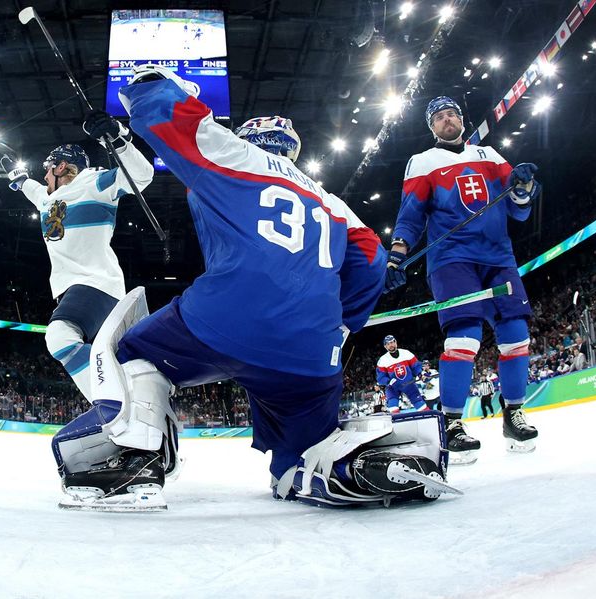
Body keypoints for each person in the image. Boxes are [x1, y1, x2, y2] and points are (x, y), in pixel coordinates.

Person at [49, 64, 457, 511]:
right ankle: (333, 466)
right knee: (296, 456)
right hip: (314, 351)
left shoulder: (234, 155)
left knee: (132, 350)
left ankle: (137, 456)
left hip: (225, 315)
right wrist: (341, 326)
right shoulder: (333, 202)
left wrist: (146, 89)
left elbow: (166, 111)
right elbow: (372, 264)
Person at [384, 95, 541, 463]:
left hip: (498, 257)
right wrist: (396, 258)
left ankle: (513, 414)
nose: (447, 120)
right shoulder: (423, 162)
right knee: (464, 338)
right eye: (439, 117)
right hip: (452, 261)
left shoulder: (490, 156)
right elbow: (410, 216)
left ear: (462, 121)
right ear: (431, 127)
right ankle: (452, 424)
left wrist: (525, 185)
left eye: (452, 113)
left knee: (516, 335)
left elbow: (519, 209)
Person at [3, 114, 153, 403]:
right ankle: (137, 408)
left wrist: (119, 139)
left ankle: (112, 406)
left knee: (59, 336)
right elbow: (30, 188)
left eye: (47, 170)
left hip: (96, 285)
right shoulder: (47, 198)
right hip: (78, 291)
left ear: (61, 167)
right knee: (110, 359)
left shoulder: (94, 183)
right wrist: (17, 177)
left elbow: (142, 175)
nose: (44, 176)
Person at [375, 335, 428, 413]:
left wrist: (421, 374)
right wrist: (389, 382)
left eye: (392, 342)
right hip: (393, 387)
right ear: (385, 346)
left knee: (421, 406)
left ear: (396, 342)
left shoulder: (406, 353)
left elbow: (416, 366)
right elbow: (380, 377)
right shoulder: (382, 360)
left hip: (409, 384)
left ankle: (430, 421)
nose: (391, 345)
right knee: (393, 408)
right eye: (388, 344)